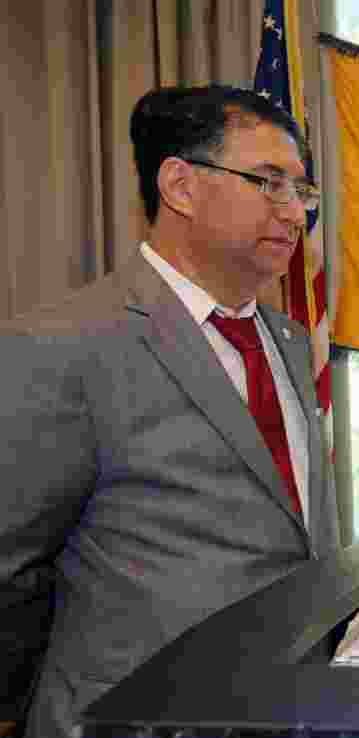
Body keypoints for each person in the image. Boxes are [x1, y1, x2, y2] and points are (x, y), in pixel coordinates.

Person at [0, 86, 341, 738]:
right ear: (180, 186)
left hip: (284, 711)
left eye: (302, 191)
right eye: (269, 183)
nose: (295, 212)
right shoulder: (63, 345)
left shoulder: (292, 344)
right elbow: (10, 568)